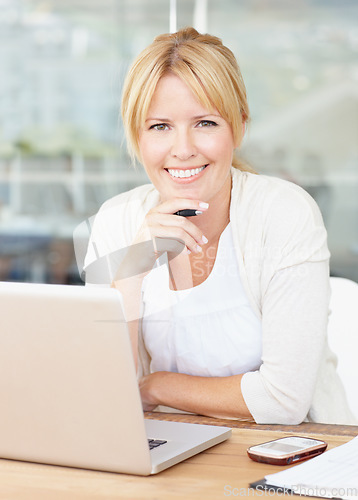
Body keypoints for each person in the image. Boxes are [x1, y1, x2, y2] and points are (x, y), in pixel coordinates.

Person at [84, 27, 356, 425]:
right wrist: (130, 272)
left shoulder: (283, 213)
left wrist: (156, 387)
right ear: (137, 137)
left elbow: (282, 401)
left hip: (289, 453)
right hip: (163, 450)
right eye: (159, 126)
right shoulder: (116, 221)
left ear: (239, 126)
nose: (182, 148)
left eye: (205, 123)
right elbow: (102, 391)